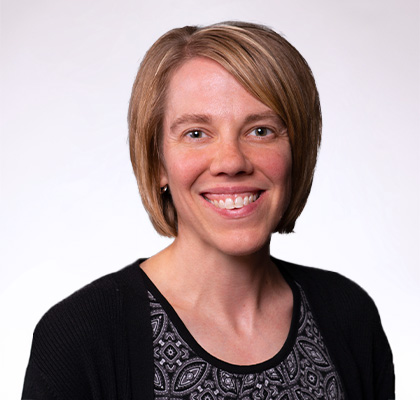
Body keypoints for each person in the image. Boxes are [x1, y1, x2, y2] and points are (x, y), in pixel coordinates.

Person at [22, 22, 394, 400]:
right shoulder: (81, 337)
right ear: (158, 164)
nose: (231, 161)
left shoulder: (349, 316)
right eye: (196, 133)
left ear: (297, 151)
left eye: (261, 130)